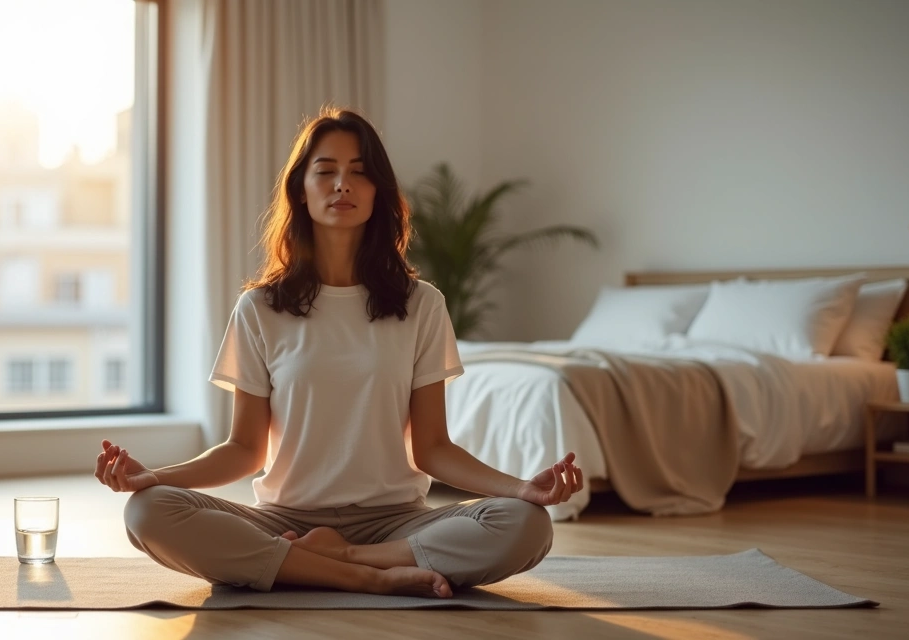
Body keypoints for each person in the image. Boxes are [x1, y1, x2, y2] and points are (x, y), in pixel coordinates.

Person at [94, 107, 582, 599]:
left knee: (528, 524)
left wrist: (521, 489)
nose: (342, 185)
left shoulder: (421, 305)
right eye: (325, 171)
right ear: (301, 191)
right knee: (146, 511)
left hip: (397, 523)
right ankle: (368, 577)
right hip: (284, 519)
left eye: (360, 172)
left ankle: (331, 559)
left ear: (378, 192)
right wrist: (153, 477)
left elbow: (432, 448)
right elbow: (245, 450)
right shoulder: (260, 308)